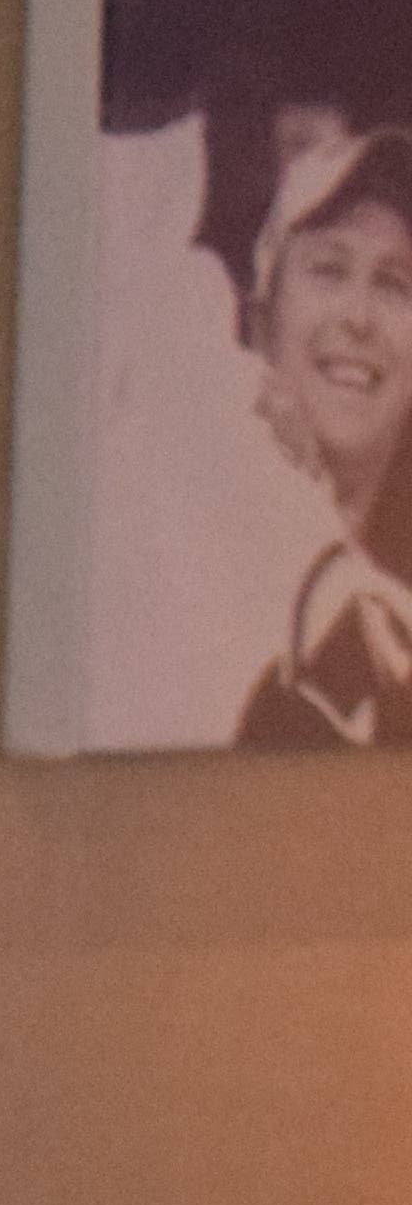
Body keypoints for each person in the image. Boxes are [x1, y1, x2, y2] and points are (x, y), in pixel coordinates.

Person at [230, 125, 412, 743]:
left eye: (395, 283)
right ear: (261, 323)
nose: (358, 318)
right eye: (329, 269)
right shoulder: (180, 553)